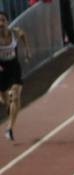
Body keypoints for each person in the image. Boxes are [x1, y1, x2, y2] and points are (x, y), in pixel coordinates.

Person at [0, 10, 30, 142]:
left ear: (7, 21)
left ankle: (9, 129)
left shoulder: (15, 32)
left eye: (3, 20)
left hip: (13, 67)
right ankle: (7, 104)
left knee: (16, 97)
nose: (0, 23)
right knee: (5, 99)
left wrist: (27, 50)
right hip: (1, 69)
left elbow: (23, 35)